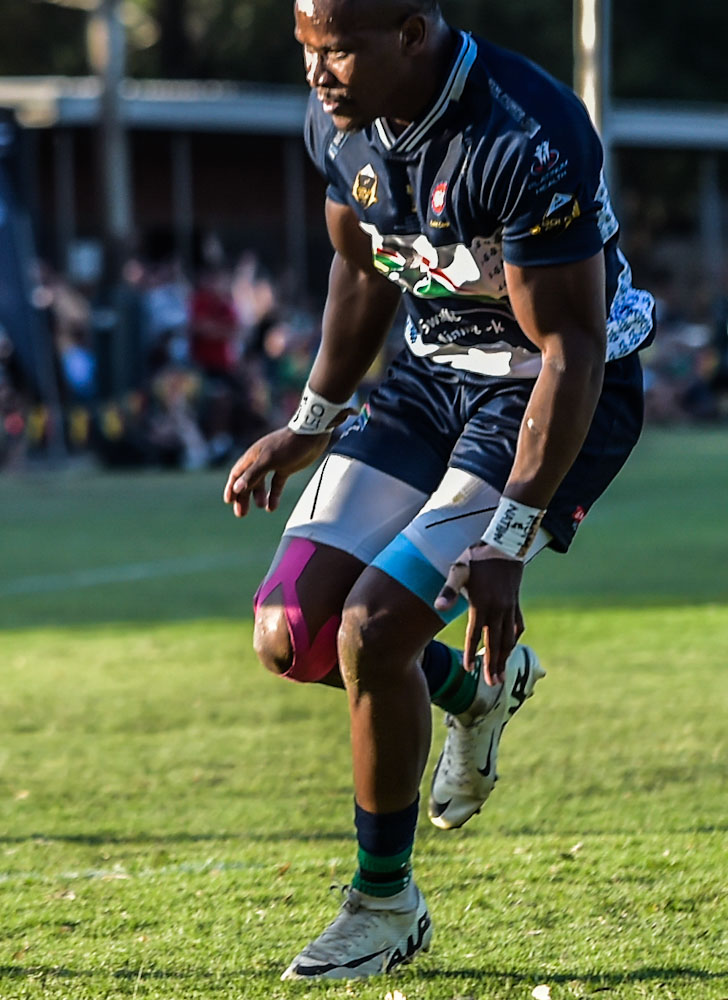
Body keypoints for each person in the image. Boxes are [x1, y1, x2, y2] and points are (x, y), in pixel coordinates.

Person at [225, 0, 653, 981]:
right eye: (303, 50)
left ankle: (384, 903)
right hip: (429, 376)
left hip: (550, 388)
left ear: (411, 31)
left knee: (373, 632)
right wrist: (309, 420)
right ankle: (471, 695)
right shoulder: (337, 125)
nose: (316, 72)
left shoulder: (522, 132)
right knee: (291, 630)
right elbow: (358, 269)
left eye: (336, 48)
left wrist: (505, 536)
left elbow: (569, 347)